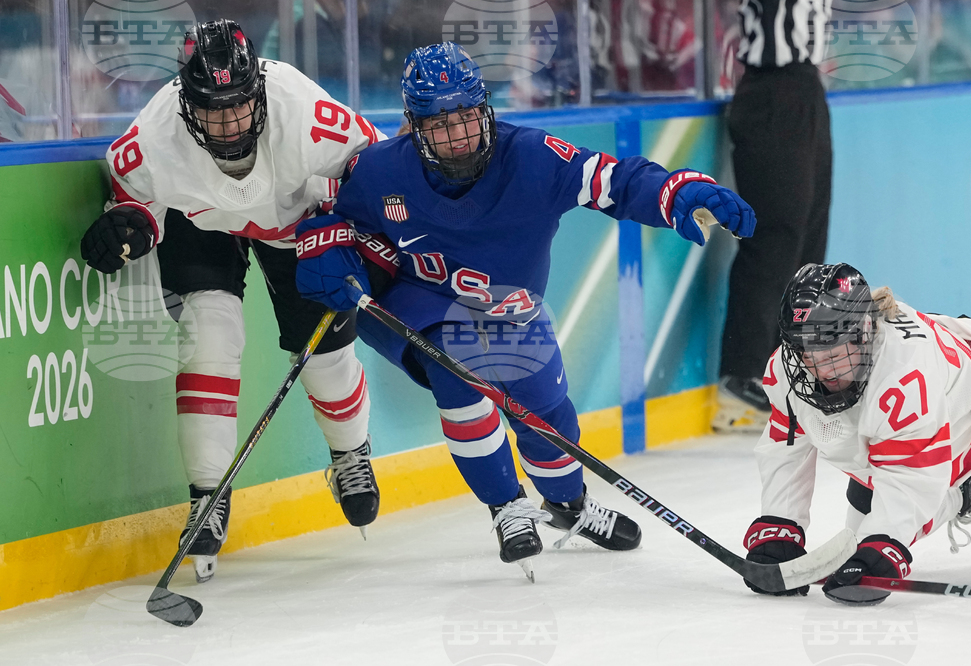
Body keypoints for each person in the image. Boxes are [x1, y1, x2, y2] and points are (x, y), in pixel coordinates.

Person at [294, 42, 757, 573]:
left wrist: (675, 193)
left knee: (545, 411)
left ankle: (568, 505)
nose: (457, 135)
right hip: (418, 300)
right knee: (458, 372)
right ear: (414, 126)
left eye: (466, 117)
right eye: (439, 124)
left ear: (485, 109)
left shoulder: (534, 157)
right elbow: (334, 218)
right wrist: (324, 246)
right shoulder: (379, 171)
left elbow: (616, 181)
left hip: (509, 307)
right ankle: (506, 506)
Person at [78, 19, 386, 583]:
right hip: (202, 223)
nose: (227, 123)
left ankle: (350, 453)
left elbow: (376, 169)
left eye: (239, 106)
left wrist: (347, 225)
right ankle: (206, 495)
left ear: (259, 90)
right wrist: (127, 225)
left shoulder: (306, 114)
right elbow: (134, 199)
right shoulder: (153, 135)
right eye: (211, 110)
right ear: (185, 101)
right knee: (210, 335)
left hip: (296, 224)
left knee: (324, 360)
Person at [742, 262, 971, 605]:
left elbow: (911, 477)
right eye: (808, 354)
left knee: (879, 537)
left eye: (833, 355)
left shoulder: (903, 375)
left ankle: (966, 492)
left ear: (863, 333)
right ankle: (965, 491)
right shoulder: (786, 370)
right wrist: (780, 526)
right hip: (931, 413)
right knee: (863, 520)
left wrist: (884, 542)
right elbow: (786, 448)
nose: (821, 371)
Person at [712, 0, 832, 434]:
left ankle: (788, 370)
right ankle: (742, 377)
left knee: (809, 239)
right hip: (772, 90)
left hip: (806, 88)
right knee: (774, 236)